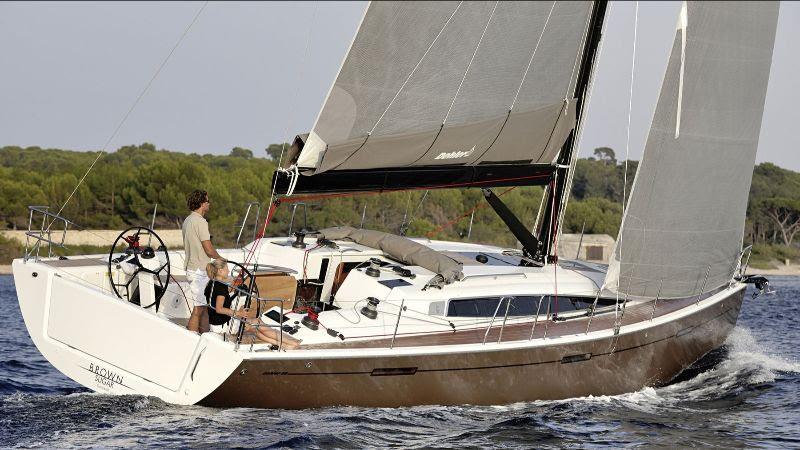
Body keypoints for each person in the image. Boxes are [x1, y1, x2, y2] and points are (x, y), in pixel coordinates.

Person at [204, 259, 302, 349]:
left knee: (253, 328)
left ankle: (283, 345)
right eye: (226, 269)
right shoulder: (221, 287)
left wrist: (232, 289)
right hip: (224, 326)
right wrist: (239, 313)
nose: (228, 271)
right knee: (257, 322)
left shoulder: (211, 284)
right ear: (220, 271)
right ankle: (292, 342)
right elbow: (219, 309)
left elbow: (217, 300)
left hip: (216, 324)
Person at [182, 189, 224, 333]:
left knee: (205, 307)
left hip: (193, 268)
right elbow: (208, 249)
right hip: (199, 271)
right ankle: (191, 338)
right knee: (198, 308)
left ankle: (206, 336)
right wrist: (221, 259)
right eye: (207, 201)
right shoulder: (200, 222)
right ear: (201, 204)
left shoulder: (188, 220)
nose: (209, 203)